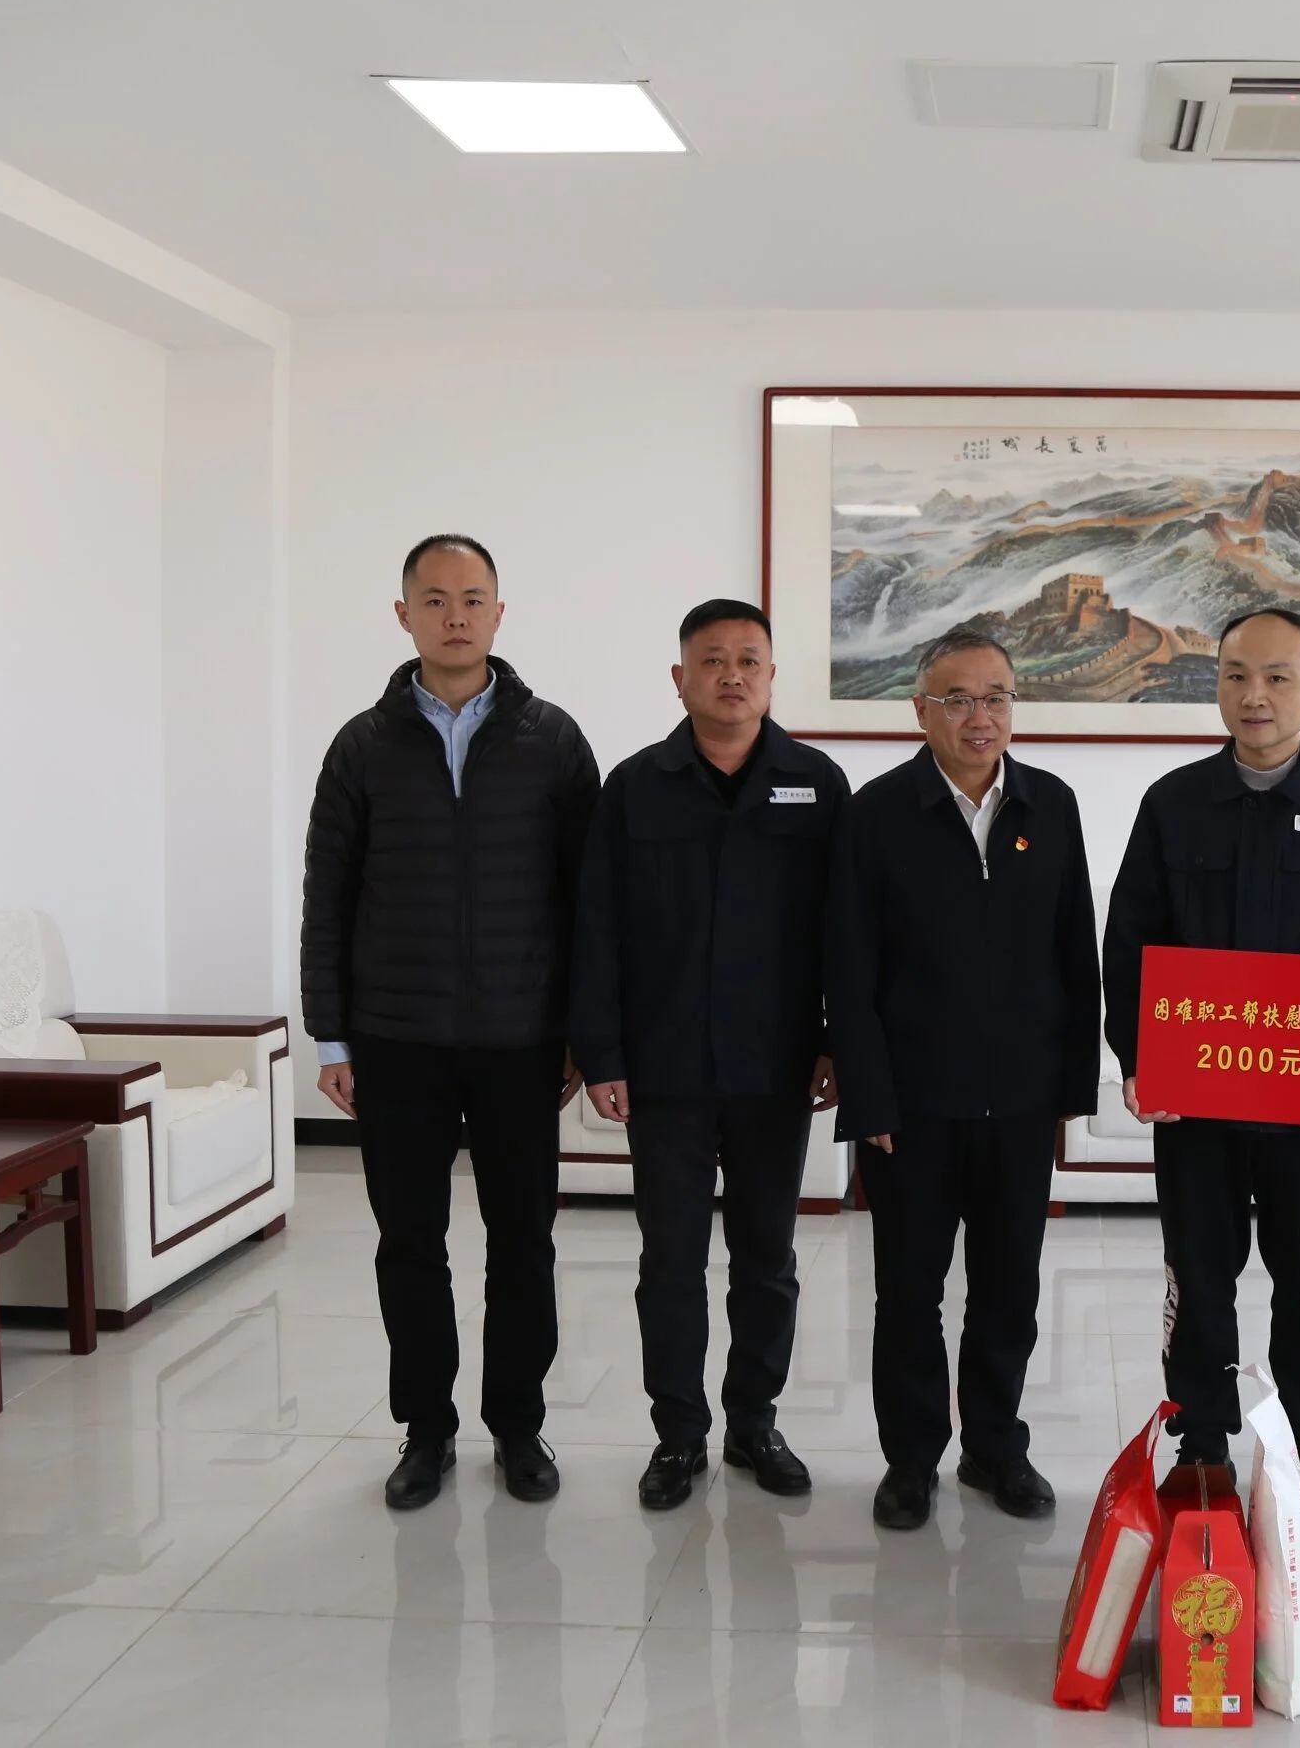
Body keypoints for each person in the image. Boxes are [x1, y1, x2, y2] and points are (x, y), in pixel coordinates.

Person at [1102, 607, 1300, 1524]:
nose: (1255, 695)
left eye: (1279, 677)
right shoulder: (1174, 802)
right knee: (1197, 1273)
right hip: (1198, 1100)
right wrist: (1140, 1056)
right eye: (1236, 675)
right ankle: (1203, 1440)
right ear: (1215, 685)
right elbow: (1130, 940)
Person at [301, 534, 600, 1511]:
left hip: (522, 1038)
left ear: (499, 614)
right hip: (398, 1040)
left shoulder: (552, 740)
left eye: (473, 598)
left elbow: (588, 898)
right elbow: (327, 897)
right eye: (434, 600)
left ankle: (518, 1425)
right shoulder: (362, 745)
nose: (455, 616)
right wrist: (332, 1036)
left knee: (523, 1244)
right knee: (409, 1244)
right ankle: (425, 1430)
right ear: (405, 616)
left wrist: (580, 1031)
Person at [571, 599, 847, 1512]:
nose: (732, 675)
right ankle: (678, 1433)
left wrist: (835, 1043)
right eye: (713, 659)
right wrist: (602, 1053)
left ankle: (754, 1421)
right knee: (671, 1261)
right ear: (680, 677)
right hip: (667, 1070)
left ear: (771, 676)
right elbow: (596, 927)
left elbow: (846, 932)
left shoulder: (817, 783)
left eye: (749, 660)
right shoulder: (635, 786)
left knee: (767, 1257)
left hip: (776, 1067)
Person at [824, 628, 1100, 1531]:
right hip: (913, 1105)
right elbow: (848, 968)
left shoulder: (1051, 805)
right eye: (958, 699)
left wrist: (1071, 1089)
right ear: (921, 710)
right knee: (908, 1293)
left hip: (1020, 1100)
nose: (980, 717)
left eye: (997, 697)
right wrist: (869, 1095)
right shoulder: (876, 813)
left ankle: (995, 1447)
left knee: (1008, 1288)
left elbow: (1076, 952)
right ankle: (911, 1460)